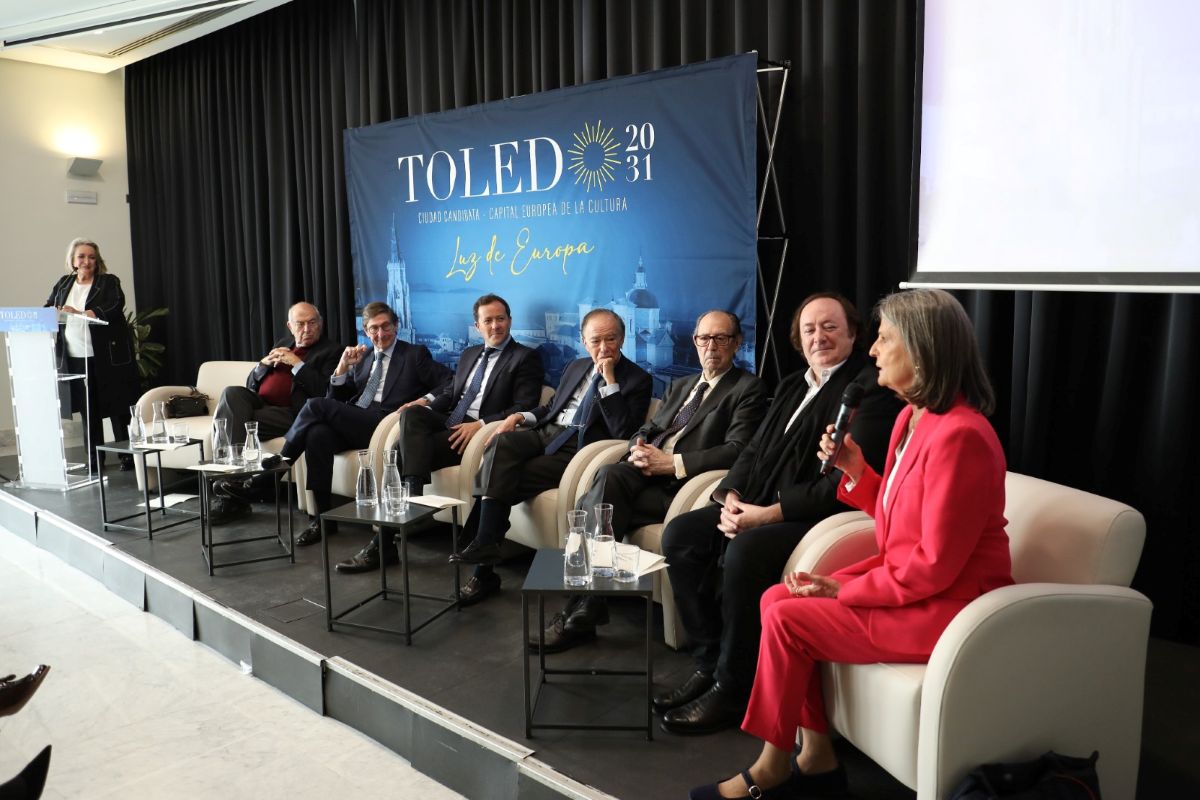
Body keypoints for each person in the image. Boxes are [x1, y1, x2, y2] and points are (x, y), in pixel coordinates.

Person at [688, 287, 1012, 800]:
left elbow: (933, 565)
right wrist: (855, 469)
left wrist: (843, 589)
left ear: (922, 349)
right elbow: (898, 516)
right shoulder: (912, 418)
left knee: (788, 617)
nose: (874, 350)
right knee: (777, 598)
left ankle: (772, 767)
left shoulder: (961, 436)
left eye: (884, 339)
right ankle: (816, 758)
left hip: (950, 606)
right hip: (914, 584)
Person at [656, 293, 902, 735]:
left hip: (812, 515)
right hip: (755, 500)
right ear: (798, 339)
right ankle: (709, 662)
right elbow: (753, 450)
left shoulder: (868, 392)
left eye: (830, 327)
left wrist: (768, 514)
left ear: (852, 334)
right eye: (809, 329)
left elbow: (838, 484)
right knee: (680, 535)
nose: (818, 337)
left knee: (745, 551)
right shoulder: (792, 384)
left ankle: (734, 688)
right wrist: (730, 496)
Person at [532, 310, 768, 653]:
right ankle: (587, 605)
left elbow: (738, 450)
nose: (711, 346)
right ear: (695, 342)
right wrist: (638, 447)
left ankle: (581, 606)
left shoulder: (748, 389)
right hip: (644, 472)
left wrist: (671, 463)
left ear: (736, 343)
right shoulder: (681, 385)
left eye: (721, 338)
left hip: (681, 486)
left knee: (596, 503)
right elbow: (647, 428)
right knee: (608, 477)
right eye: (704, 338)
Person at [449, 308, 653, 606]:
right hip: (548, 432)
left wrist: (610, 382)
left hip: (578, 449)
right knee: (502, 444)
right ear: (584, 341)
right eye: (596, 340)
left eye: (611, 339)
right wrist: (521, 416)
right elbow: (552, 408)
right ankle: (485, 546)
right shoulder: (576, 366)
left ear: (622, 339)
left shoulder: (638, 379)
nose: (604, 347)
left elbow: (624, 432)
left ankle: (484, 566)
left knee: (500, 477)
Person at [335, 294, 545, 573]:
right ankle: (412, 497)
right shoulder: (470, 354)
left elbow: (524, 406)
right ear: (477, 326)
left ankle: (384, 542)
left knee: (399, 453)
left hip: (477, 432)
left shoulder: (525, 357)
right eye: (488, 321)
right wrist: (425, 402)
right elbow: (451, 393)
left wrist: (481, 424)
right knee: (411, 414)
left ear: (510, 321)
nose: (495, 325)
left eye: (500, 319)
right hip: (451, 422)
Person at [221, 302, 450, 545]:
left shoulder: (414, 354)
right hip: (358, 418)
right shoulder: (364, 358)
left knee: (315, 405)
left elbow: (449, 381)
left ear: (396, 326)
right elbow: (335, 399)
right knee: (317, 435)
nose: (380, 334)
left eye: (386, 327)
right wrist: (341, 369)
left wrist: (424, 400)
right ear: (366, 331)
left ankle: (275, 471)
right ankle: (323, 520)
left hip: (384, 422)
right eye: (374, 329)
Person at [210, 302, 340, 521]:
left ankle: (231, 491)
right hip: (261, 404)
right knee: (232, 393)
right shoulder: (283, 343)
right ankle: (235, 484)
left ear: (321, 323)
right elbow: (251, 384)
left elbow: (325, 391)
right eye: (300, 324)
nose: (307, 329)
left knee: (234, 419)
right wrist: (262, 365)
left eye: (312, 323)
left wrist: (297, 364)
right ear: (290, 326)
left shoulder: (332, 351)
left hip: (294, 413)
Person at [44, 238, 139, 471]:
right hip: (75, 357)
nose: (86, 261)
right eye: (81, 256)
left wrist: (83, 312)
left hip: (106, 356)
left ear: (97, 261)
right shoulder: (64, 283)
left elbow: (115, 305)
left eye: (91, 257)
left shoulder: (108, 282)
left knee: (117, 407)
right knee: (89, 411)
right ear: (73, 260)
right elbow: (48, 307)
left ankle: (127, 457)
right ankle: (95, 461)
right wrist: (52, 312)